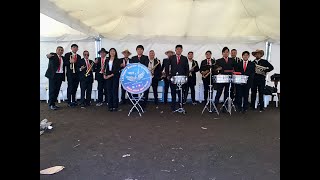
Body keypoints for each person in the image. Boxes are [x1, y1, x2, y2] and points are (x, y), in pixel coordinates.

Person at [166, 44, 189, 111]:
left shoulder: (184, 58)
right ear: (175, 50)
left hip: (181, 78)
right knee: (173, 92)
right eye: (177, 49)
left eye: (180, 49)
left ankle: (180, 105)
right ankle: (173, 106)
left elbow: (187, 68)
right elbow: (167, 67)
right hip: (173, 78)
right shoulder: (171, 57)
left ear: (182, 50)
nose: (179, 50)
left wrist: (186, 77)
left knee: (180, 93)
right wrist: (168, 75)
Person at [129, 45, 149, 109]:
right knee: (135, 91)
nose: (139, 50)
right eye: (138, 49)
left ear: (143, 50)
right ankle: (135, 106)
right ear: (136, 50)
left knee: (144, 92)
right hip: (135, 78)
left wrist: (138, 65)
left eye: (141, 49)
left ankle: (143, 106)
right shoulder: (133, 58)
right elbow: (131, 67)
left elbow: (145, 65)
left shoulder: (146, 57)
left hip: (143, 78)